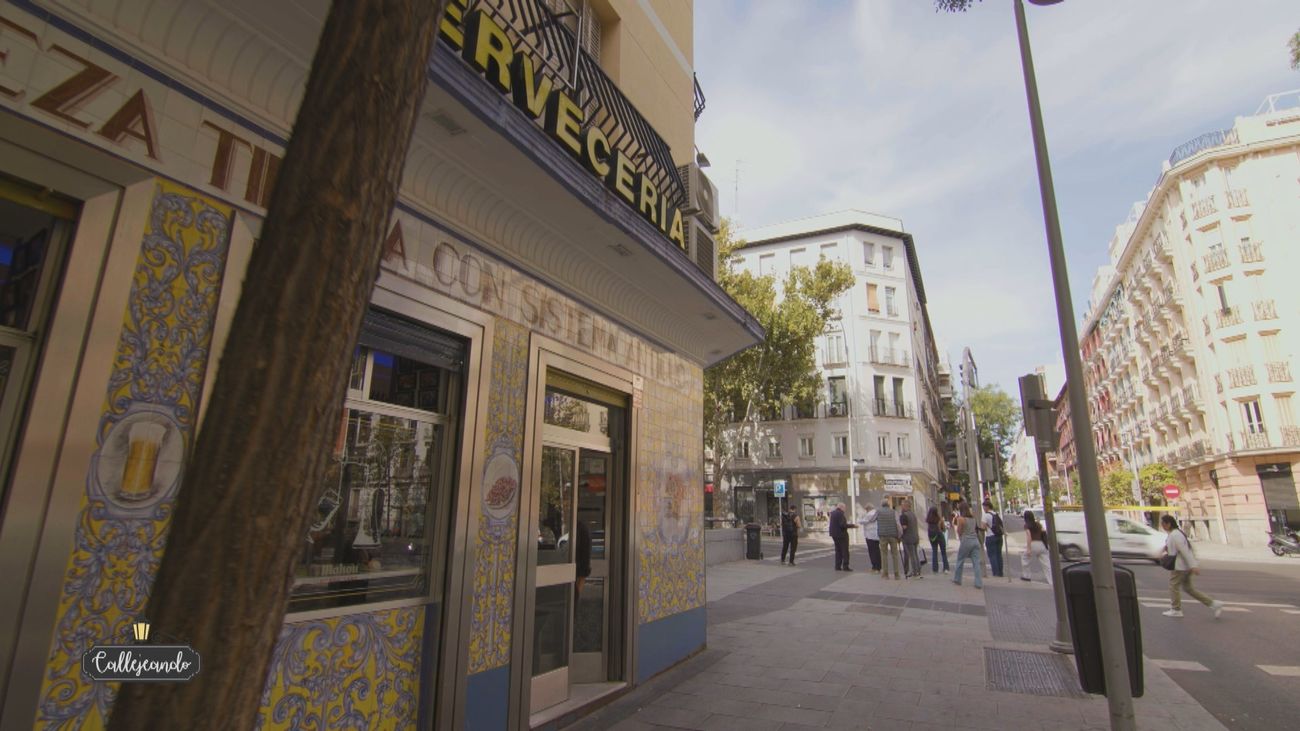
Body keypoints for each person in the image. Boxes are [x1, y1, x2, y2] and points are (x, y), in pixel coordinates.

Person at [1160, 515, 1223, 618]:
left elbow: (1185, 551)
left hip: (1180, 566)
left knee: (1173, 586)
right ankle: (1214, 604)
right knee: (1189, 589)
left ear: (1169, 524)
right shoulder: (1176, 533)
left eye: (1163, 524)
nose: (1162, 526)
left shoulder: (1175, 535)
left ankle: (1176, 609)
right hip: (1185, 566)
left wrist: (1193, 565)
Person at [951, 501, 984, 589]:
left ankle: (957, 579)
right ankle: (978, 582)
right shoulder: (973, 518)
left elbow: (959, 531)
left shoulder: (961, 519)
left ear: (961, 509)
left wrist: (961, 538)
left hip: (966, 540)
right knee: (976, 563)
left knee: (960, 560)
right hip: (975, 541)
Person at [1019, 510, 1051, 586]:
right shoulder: (1038, 524)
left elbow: (1029, 536)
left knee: (1025, 558)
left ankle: (1026, 576)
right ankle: (1052, 581)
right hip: (1041, 544)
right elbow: (1044, 533)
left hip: (1033, 544)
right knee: (1046, 564)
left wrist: (1029, 548)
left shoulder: (1027, 525)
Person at [876, 500, 902, 579]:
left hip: (883, 535)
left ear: (882, 505)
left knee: (884, 554)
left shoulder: (878, 512)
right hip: (893, 535)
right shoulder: (894, 512)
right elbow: (898, 524)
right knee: (895, 554)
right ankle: (896, 574)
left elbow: (871, 519)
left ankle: (885, 574)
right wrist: (900, 535)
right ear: (888, 505)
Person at [981, 498, 1005, 577]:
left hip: (990, 537)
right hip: (998, 536)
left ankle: (996, 573)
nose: (983, 509)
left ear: (987, 507)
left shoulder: (986, 515)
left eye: (984, 507)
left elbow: (983, 527)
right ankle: (1000, 572)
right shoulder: (996, 514)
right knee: (998, 554)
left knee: (992, 556)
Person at [900, 499, 922, 578]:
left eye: (902, 505)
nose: (901, 507)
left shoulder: (904, 515)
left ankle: (915, 571)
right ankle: (918, 570)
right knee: (915, 554)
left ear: (906, 506)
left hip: (908, 537)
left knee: (912, 555)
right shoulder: (913, 514)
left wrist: (900, 533)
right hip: (915, 536)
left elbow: (904, 527)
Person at [829, 503, 853, 571]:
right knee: (845, 551)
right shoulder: (840, 514)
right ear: (841, 507)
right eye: (845, 508)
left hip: (834, 534)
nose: (845, 509)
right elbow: (842, 525)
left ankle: (837, 566)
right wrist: (852, 526)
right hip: (841, 535)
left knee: (838, 550)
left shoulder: (833, 513)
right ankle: (845, 566)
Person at [926, 505, 949, 573]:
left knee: (934, 551)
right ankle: (946, 568)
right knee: (943, 552)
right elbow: (944, 529)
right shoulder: (939, 519)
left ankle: (935, 569)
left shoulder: (928, 520)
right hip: (939, 536)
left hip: (932, 537)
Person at [861, 502, 882, 571]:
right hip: (875, 535)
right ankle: (878, 566)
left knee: (872, 551)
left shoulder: (870, 514)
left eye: (866, 509)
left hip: (870, 535)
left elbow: (864, 521)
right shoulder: (875, 513)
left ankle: (875, 567)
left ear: (868, 509)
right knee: (877, 551)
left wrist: (859, 521)